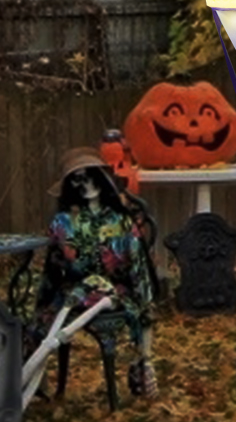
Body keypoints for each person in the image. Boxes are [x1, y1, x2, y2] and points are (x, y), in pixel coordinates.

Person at [34, 148, 159, 398]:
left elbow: (138, 269)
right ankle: (35, 375)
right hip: (74, 294)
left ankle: (143, 365)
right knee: (38, 321)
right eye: (77, 179)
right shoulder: (62, 224)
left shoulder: (121, 221)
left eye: (91, 176)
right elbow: (53, 270)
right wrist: (43, 306)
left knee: (143, 308)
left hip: (115, 294)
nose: (87, 185)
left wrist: (143, 303)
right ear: (70, 186)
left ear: (103, 179)